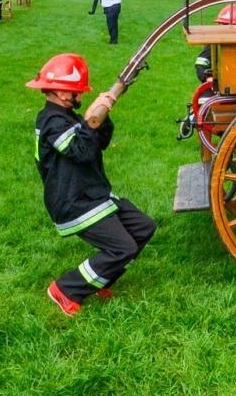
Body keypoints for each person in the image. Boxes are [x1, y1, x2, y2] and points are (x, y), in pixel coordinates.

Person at [27, 53, 156, 315]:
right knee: (123, 248)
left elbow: (100, 143)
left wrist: (102, 116)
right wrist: (88, 122)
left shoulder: (67, 115)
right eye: (77, 91)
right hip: (73, 202)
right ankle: (66, 289)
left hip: (93, 194)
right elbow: (82, 151)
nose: (81, 95)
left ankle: (100, 280)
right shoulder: (51, 121)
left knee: (143, 227)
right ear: (63, 92)